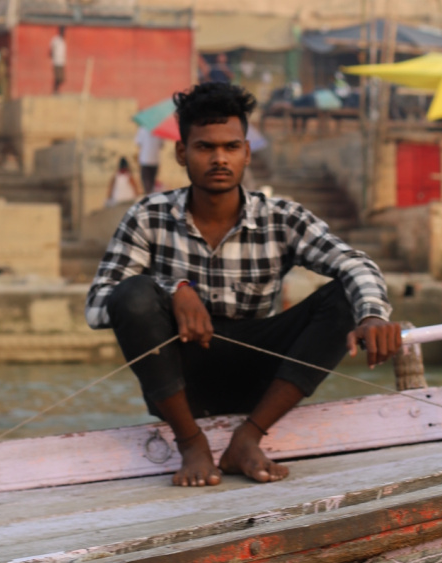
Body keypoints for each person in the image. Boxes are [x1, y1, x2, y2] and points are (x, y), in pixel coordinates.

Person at [86, 81, 402, 488]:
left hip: (260, 377)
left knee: (345, 296)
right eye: (205, 147)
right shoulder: (149, 215)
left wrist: (373, 315)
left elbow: (354, 262)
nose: (219, 159)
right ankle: (192, 442)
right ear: (182, 153)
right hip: (184, 378)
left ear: (247, 152)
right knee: (132, 294)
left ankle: (248, 437)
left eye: (231, 147)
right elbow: (98, 305)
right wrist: (174, 289)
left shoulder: (281, 216)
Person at [135, 122, 162, 194]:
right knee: (152, 183)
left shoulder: (142, 128)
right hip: (155, 160)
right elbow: (161, 145)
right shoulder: (159, 130)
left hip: (144, 160)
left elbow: (138, 143)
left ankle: (148, 198)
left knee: (146, 184)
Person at [50, 27, 68, 93]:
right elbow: (51, 51)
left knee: (61, 78)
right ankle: (55, 90)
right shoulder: (55, 40)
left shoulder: (63, 41)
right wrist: (54, 58)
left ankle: (57, 90)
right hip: (56, 61)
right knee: (57, 77)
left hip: (61, 62)